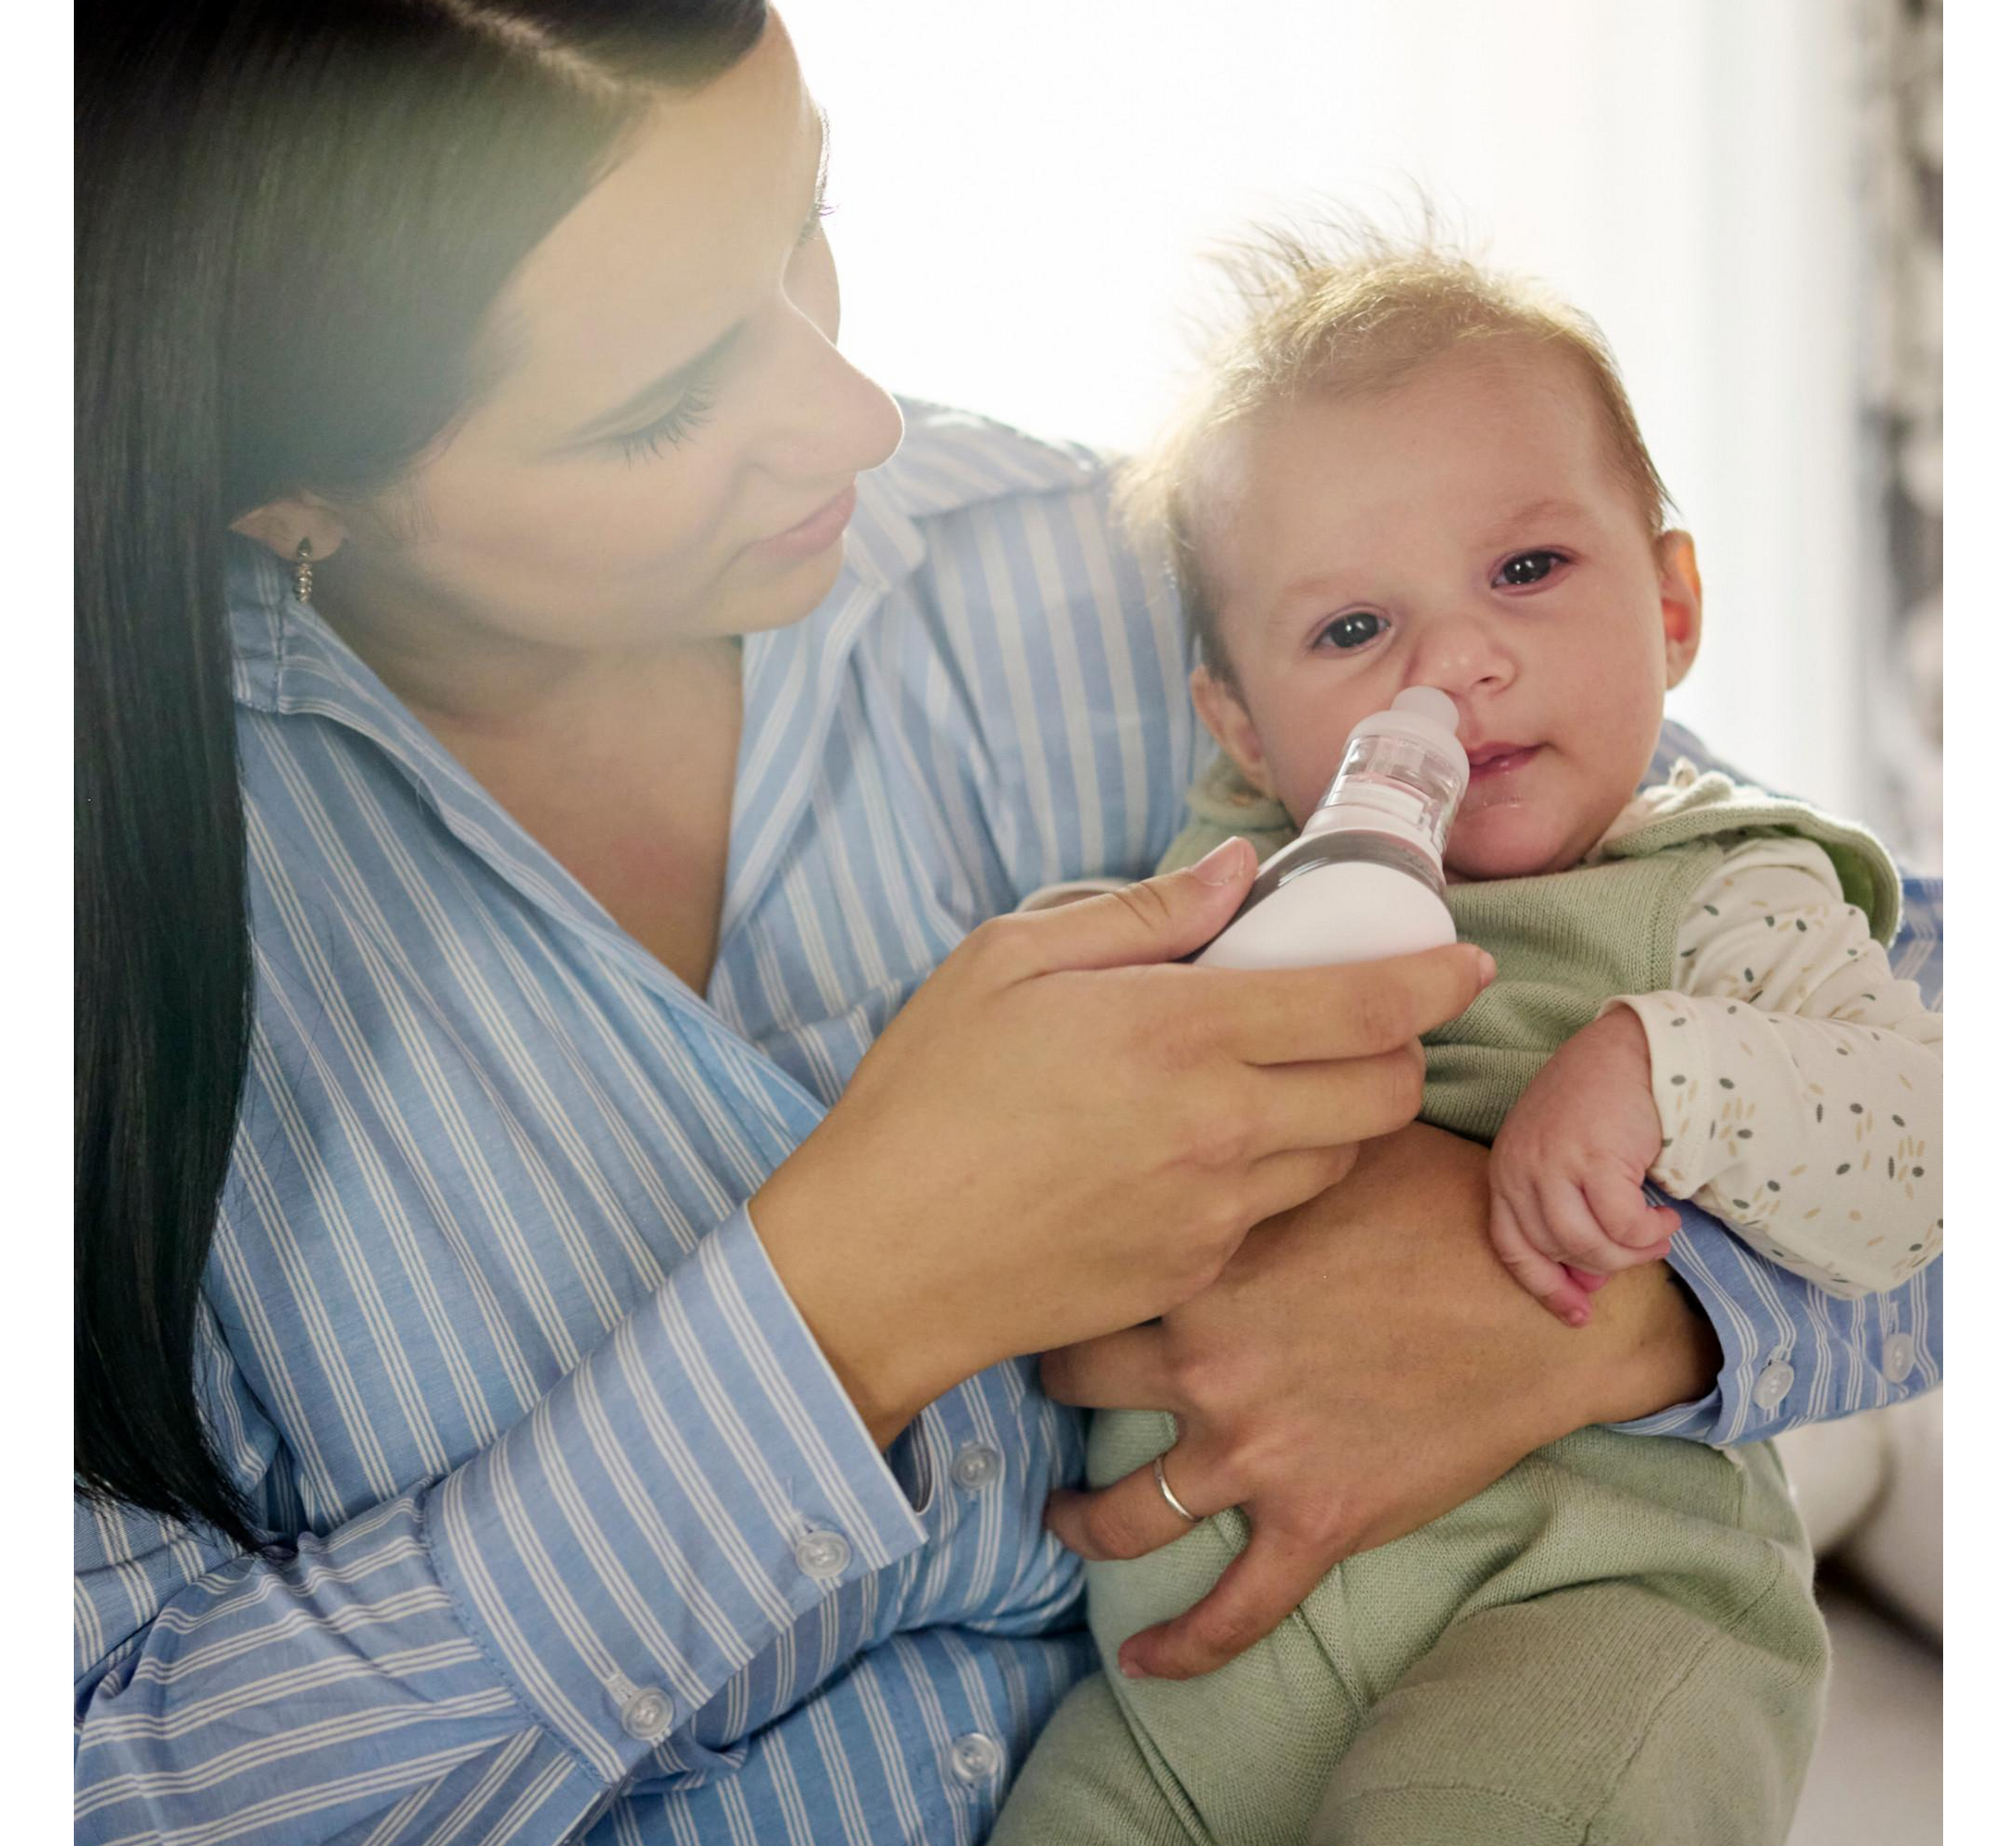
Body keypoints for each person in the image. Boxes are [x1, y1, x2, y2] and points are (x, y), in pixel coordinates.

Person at [74, 8, 1943, 1843]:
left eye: (805, 221)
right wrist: (840, 1309)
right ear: (284, 484)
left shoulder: (1106, 581)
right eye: (661, 404)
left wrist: (1598, 1318)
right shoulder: (95, 928)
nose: (856, 413)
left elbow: (1902, 1025)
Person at [989, 236, 1942, 1846]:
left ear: (1672, 604)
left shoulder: (1721, 890)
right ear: (1241, 724)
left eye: (1526, 570)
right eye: (1354, 626)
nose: (1451, 667)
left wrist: (1664, 1062)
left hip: (1585, 1612)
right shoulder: (1215, 894)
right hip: (1182, 1708)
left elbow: (1927, 1147)